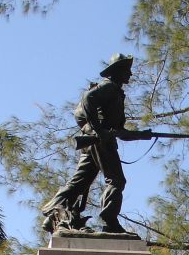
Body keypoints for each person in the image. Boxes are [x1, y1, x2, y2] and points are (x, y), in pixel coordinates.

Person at [41, 53, 141, 234]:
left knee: (80, 181)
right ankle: (110, 221)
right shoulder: (109, 86)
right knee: (116, 180)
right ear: (117, 71)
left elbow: (121, 132)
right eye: (127, 70)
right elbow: (88, 98)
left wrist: (142, 135)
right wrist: (99, 131)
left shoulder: (116, 92)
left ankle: (53, 213)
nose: (130, 74)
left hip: (97, 141)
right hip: (100, 141)